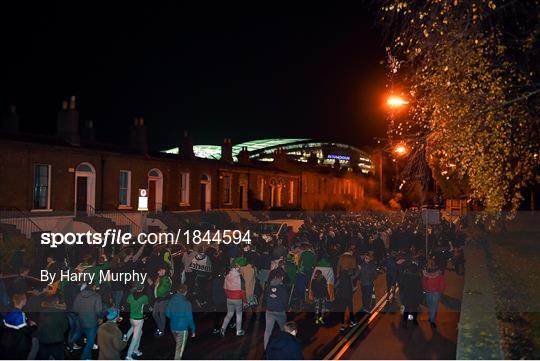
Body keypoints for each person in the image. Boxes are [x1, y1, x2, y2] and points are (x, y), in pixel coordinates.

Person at [0, 293, 36, 359]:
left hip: (8, 344)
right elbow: (25, 330)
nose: (26, 300)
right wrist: (34, 326)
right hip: (18, 345)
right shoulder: (19, 314)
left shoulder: (9, 312)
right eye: (25, 299)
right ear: (22, 301)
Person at [165, 284, 196, 360]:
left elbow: (167, 314)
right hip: (182, 330)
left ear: (178, 291)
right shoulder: (187, 303)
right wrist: (193, 330)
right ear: (185, 292)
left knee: (178, 346)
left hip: (173, 328)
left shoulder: (171, 300)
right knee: (179, 351)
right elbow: (190, 319)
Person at [73, 282, 103, 360]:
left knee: (87, 339)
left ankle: (88, 358)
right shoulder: (96, 296)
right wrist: (101, 317)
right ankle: (83, 358)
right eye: (95, 286)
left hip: (81, 320)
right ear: (92, 287)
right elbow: (98, 311)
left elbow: (75, 310)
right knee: (90, 342)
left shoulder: (79, 295)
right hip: (92, 322)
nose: (96, 288)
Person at [37, 295, 68, 360]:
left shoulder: (42, 311)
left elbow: (40, 325)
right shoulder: (60, 312)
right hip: (56, 341)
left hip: (43, 340)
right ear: (57, 302)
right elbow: (65, 327)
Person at [263, 270, 288, 349]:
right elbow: (285, 301)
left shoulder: (269, 286)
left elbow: (265, 298)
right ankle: (284, 347)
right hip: (279, 312)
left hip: (269, 311)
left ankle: (266, 349)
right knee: (283, 330)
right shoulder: (283, 288)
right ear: (282, 278)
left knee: (268, 331)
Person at [220, 264, 246, 336]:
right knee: (239, 315)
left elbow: (225, 288)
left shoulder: (227, 276)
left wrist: (229, 295)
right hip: (238, 298)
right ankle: (238, 331)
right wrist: (244, 301)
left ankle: (223, 328)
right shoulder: (240, 277)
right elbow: (243, 291)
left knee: (229, 314)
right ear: (237, 268)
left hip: (229, 298)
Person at [125, 283, 149, 359]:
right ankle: (128, 356)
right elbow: (146, 305)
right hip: (138, 320)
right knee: (135, 339)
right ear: (142, 288)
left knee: (139, 332)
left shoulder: (130, 296)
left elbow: (128, 303)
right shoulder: (144, 297)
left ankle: (126, 339)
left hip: (131, 318)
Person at [422, 259, 446, 328]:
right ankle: (432, 320)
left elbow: (423, 283)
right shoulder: (439, 275)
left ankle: (431, 318)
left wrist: (425, 289)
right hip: (436, 293)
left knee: (430, 306)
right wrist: (441, 292)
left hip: (428, 292)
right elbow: (442, 285)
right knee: (434, 306)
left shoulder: (426, 275)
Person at [149, 266, 172, 337]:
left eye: (159, 271)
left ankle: (161, 330)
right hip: (158, 299)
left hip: (164, 299)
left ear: (164, 270)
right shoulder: (161, 278)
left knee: (162, 314)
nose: (157, 272)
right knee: (154, 314)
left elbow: (161, 291)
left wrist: (152, 284)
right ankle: (160, 327)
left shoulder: (166, 279)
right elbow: (157, 287)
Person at [399, 263, 423, 328]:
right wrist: (420, 298)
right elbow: (420, 289)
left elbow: (402, 286)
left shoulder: (406, 277)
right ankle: (414, 321)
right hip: (415, 297)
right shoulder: (418, 277)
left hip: (407, 296)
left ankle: (405, 322)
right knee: (414, 309)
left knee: (406, 309)